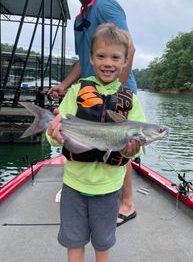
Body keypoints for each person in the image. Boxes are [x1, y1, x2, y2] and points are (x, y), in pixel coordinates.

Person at [46, 23, 145, 262]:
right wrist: (53, 133)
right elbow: (56, 132)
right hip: (74, 184)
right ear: (91, 58)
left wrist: (134, 149)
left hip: (109, 188)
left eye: (115, 57)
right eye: (101, 56)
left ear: (124, 62)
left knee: (103, 243)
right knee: (74, 241)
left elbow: (134, 149)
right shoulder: (76, 91)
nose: (108, 63)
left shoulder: (130, 101)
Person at [48, 0, 137, 225]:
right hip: (89, 89)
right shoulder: (79, 17)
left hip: (116, 90)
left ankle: (127, 203)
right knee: (89, 138)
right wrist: (64, 86)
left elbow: (129, 49)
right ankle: (85, 189)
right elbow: (82, 60)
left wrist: (114, 92)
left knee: (120, 141)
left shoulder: (106, 5)